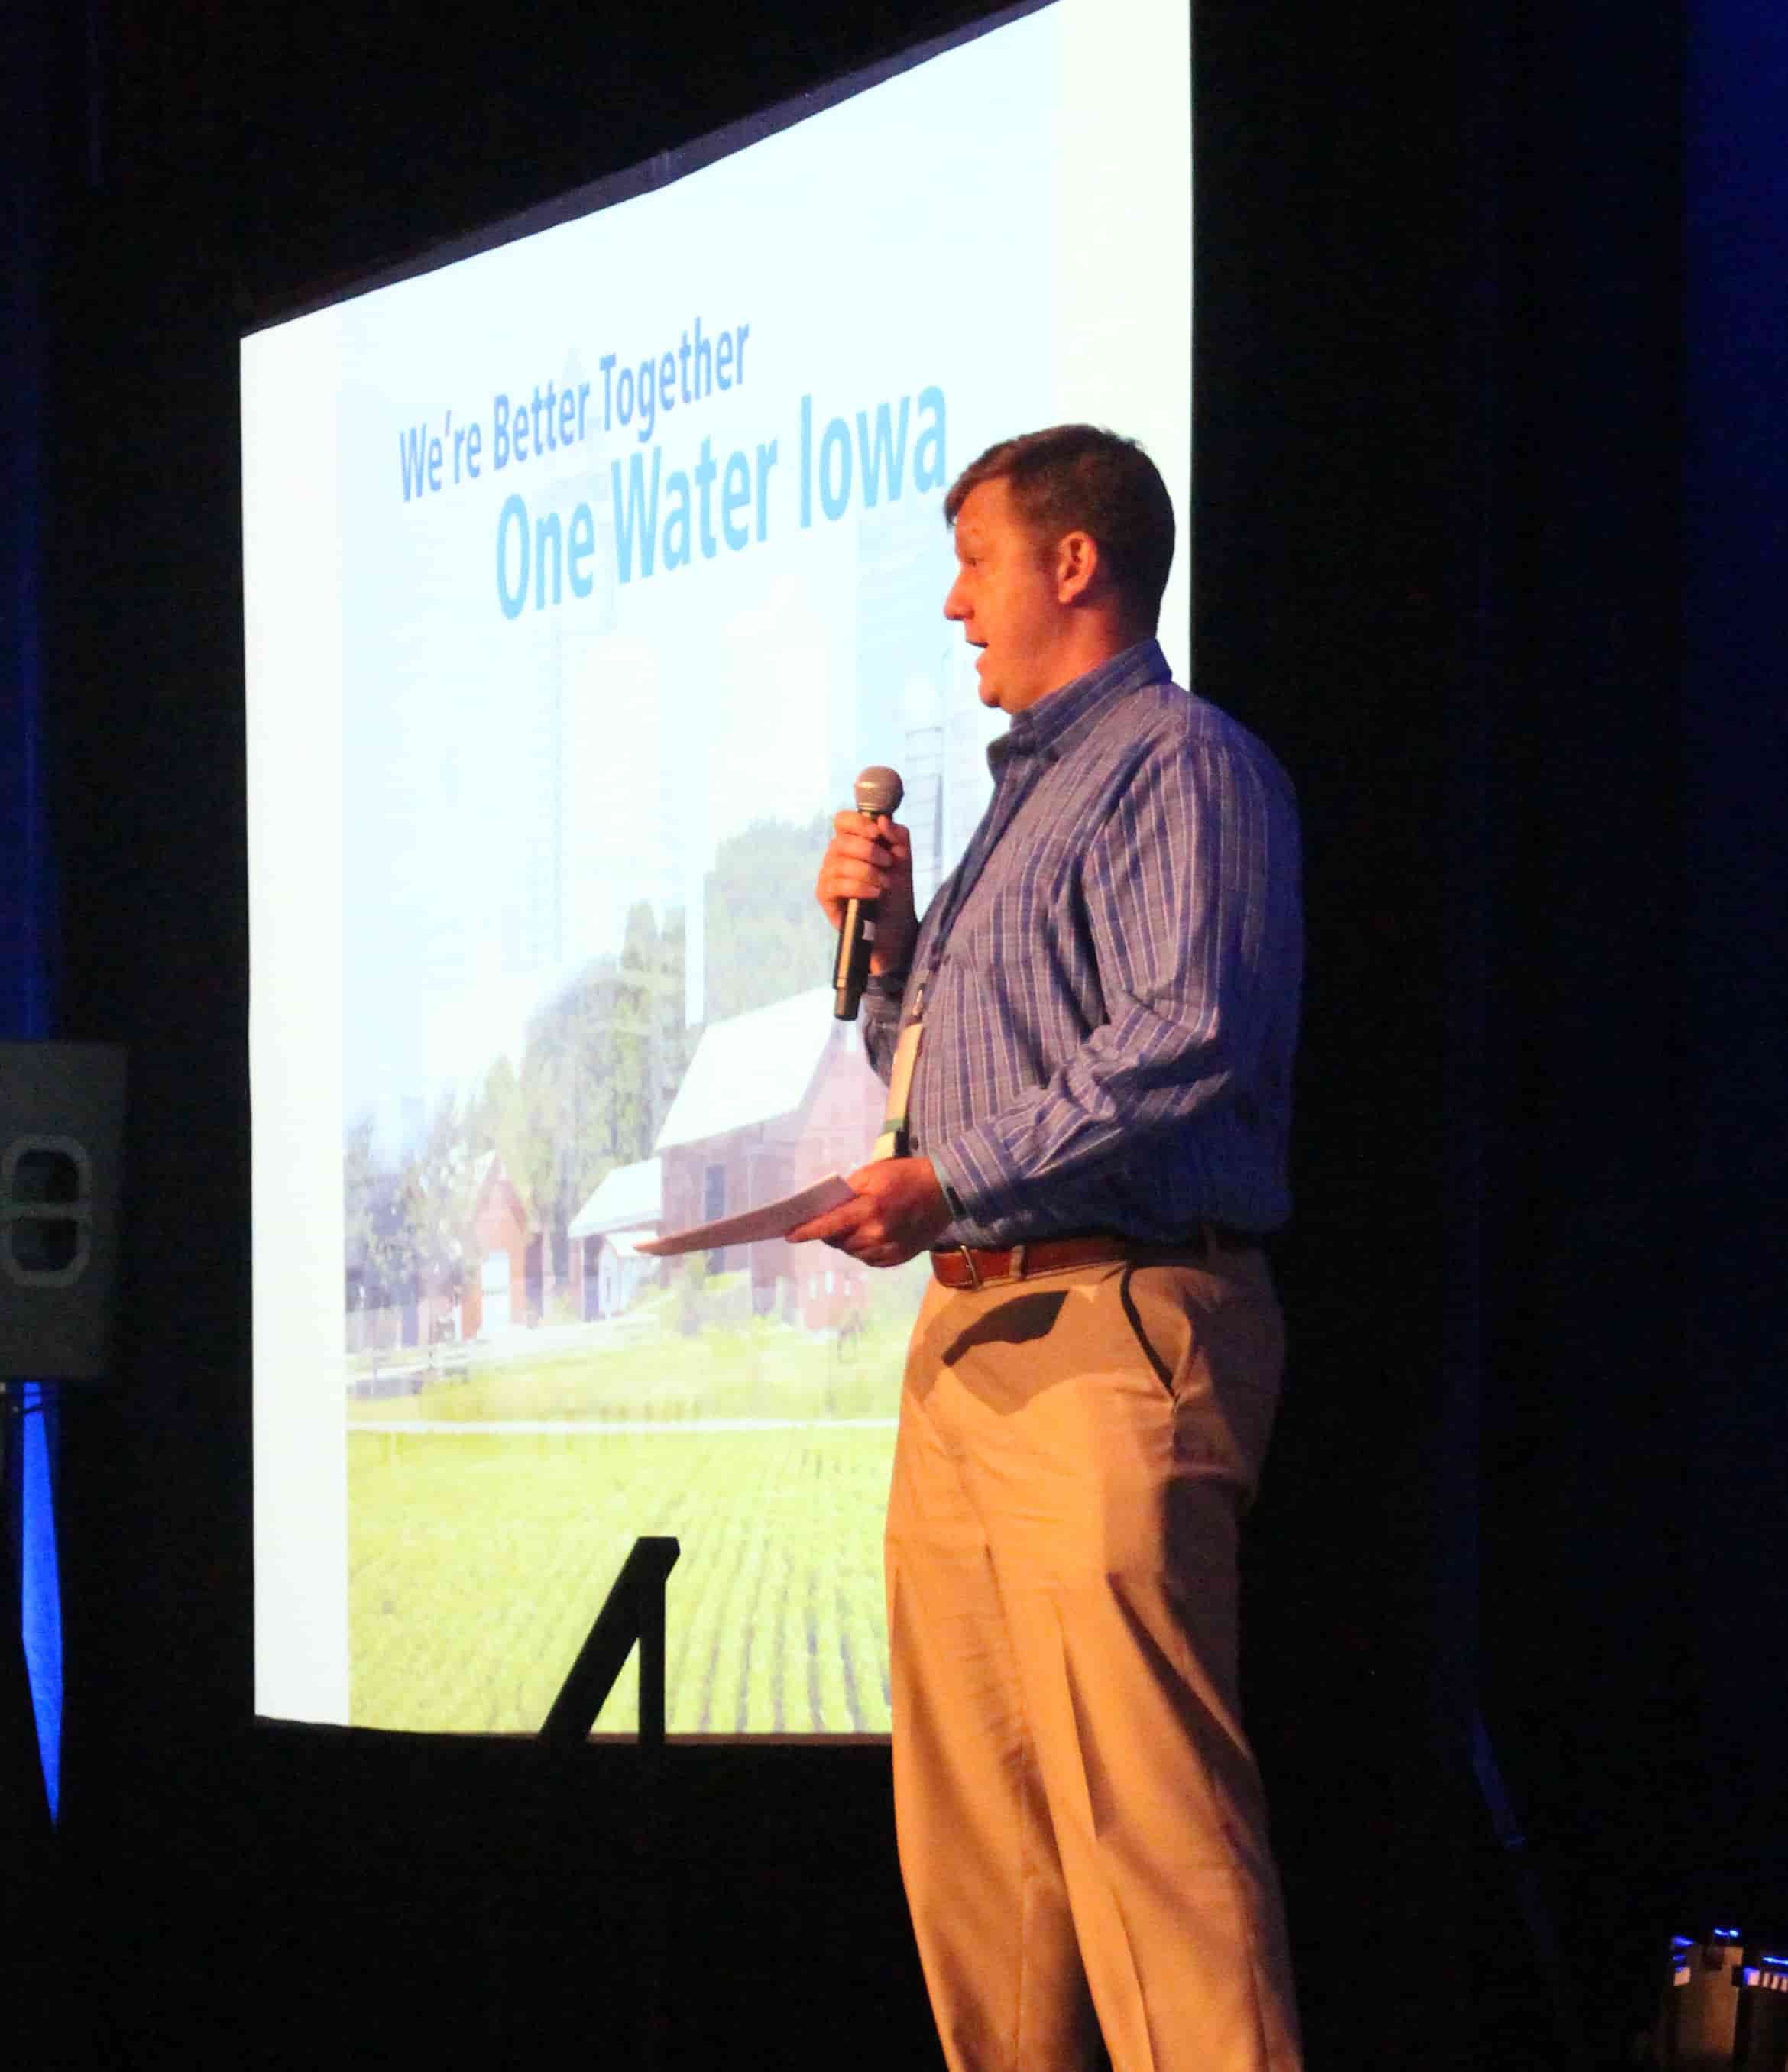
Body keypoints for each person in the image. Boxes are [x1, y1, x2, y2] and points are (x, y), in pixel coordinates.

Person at [790, 425, 1304, 2072]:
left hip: (1114, 1320)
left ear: (1074, 563)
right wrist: (884, 957)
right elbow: (941, 1088)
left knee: (1149, 1845)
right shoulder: (1019, 805)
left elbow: (1187, 1029)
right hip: (969, 1341)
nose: (955, 605)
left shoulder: (1183, 760)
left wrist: (948, 1183)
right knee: (982, 1863)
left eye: (976, 559)